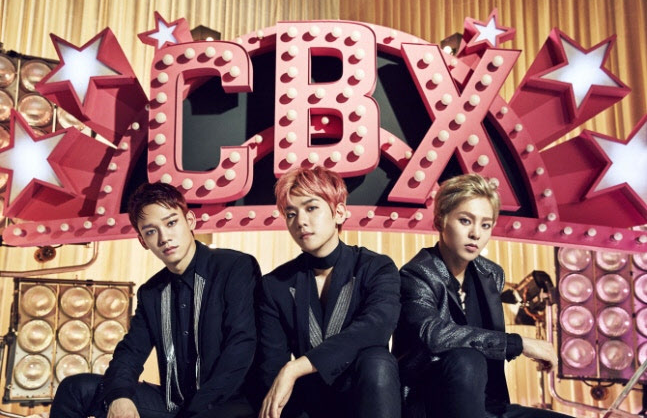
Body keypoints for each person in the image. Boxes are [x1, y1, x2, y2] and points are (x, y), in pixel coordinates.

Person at [51, 183, 261, 418]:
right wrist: (119, 396)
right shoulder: (152, 292)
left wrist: (197, 410)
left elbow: (241, 346)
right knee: (76, 389)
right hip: (175, 406)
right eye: (151, 231)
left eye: (171, 223)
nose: (164, 238)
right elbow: (130, 352)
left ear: (189, 221)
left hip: (228, 405)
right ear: (143, 241)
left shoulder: (233, 267)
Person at [393, 173, 571, 418]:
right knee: (467, 359)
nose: (476, 233)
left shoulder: (491, 274)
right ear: (440, 221)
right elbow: (434, 335)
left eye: (485, 225)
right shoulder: (416, 274)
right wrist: (518, 343)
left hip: (486, 404)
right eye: (465, 221)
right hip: (431, 406)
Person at [254, 166, 401, 418]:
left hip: (365, 398)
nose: (300, 221)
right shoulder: (275, 285)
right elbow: (272, 366)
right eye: (291, 214)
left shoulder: (376, 267)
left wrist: (296, 367)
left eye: (311, 208)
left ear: (339, 213)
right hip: (308, 406)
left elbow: (375, 328)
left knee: (377, 361)